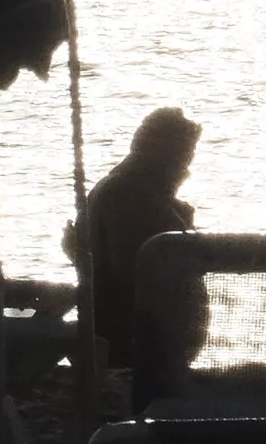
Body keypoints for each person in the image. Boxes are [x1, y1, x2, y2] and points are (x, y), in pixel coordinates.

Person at [69, 105, 204, 370]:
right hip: (133, 346)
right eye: (184, 156)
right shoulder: (131, 198)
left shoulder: (125, 190)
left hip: (132, 340)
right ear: (164, 153)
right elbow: (137, 278)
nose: (186, 167)